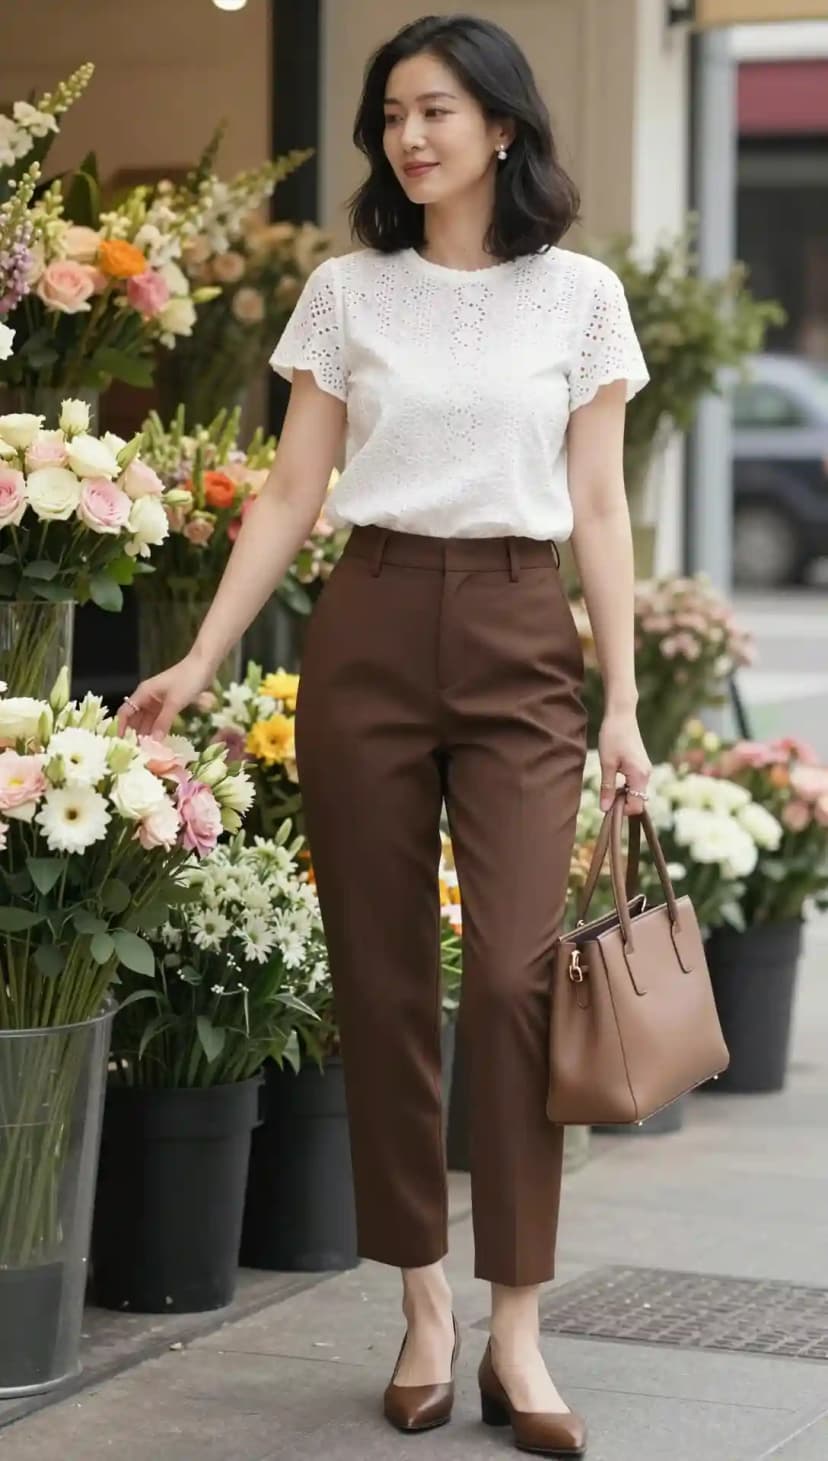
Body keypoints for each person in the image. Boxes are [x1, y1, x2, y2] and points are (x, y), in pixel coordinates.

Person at [119, 13, 652, 1456]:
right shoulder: (350, 290)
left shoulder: (581, 297)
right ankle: (425, 1301)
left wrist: (622, 701)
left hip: (522, 635)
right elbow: (293, 492)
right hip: (366, 626)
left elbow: (600, 506)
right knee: (382, 977)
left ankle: (520, 1332)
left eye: (435, 111)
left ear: (503, 127)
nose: (409, 137)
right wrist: (202, 652)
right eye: (390, 116)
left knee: (519, 980)